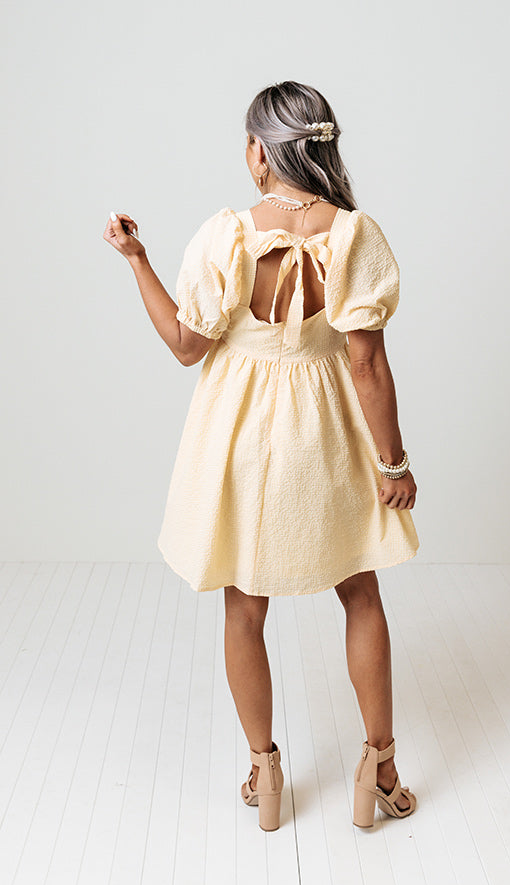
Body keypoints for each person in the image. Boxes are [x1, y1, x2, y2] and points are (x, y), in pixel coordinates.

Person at [104, 80, 419, 833]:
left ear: (260, 152)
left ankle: (264, 772)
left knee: (244, 609)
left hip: (237, 436)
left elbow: (187, 346)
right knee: (361, 593)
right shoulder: (355, 236)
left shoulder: (226, 236)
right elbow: (367, 365)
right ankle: (380, 769)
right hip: (327, 436)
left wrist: (137, 259)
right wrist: (393, 463)